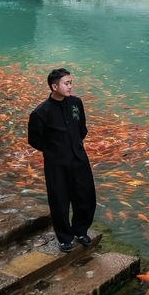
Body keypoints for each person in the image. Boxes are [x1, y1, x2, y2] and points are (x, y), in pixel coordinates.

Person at [28, 68, 96, 252]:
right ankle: (65, 237)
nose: (70, 86)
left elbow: (82, 128)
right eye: (66, 83)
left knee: (86, 195)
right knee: (59, 199)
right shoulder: (41, 112)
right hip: (56, 163)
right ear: (54, 86)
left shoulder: (76, 102)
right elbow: (34, 139)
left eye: (71, 82)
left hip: (79, 158)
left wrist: (75, 145)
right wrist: (54, 151)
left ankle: (81, 230)